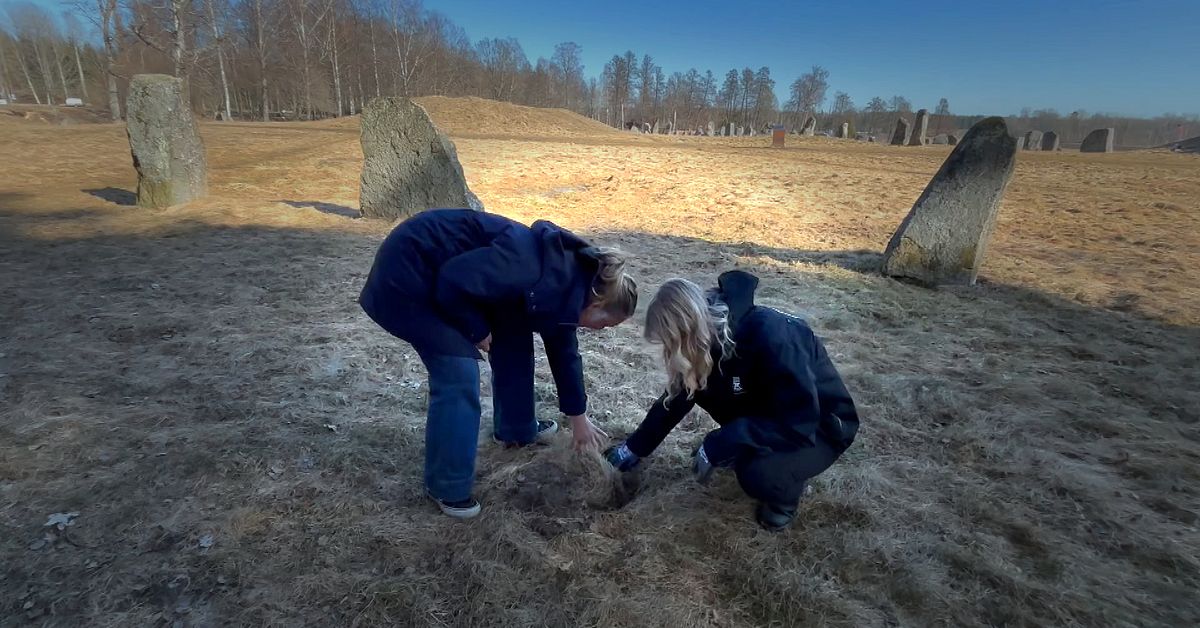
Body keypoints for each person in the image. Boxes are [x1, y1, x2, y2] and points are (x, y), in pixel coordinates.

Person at [360, 209, 638, 519]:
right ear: (597, 303)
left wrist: (579, 420)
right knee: (459, 372)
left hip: (451, 280)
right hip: (409, 272)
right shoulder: (528, 266)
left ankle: (516, 430)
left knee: (514, 334)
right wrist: (477, 330)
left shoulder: (566, 283)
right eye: (605, 325)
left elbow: (564, 352)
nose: (600, 331)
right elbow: (451, 281)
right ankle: (447, 486)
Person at [604, 271, 859, 531]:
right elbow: (678, 398)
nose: (669, 354)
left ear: (688, 331)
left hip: (819, 426)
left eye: (671, 344)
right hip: (769, 413)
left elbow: (800, 420)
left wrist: (724, 441)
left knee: (757, 473)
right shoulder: (707, 343)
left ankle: (783, 499)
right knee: (707, 391)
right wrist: (634, 447)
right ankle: (747, 448)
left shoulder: (771, 335)